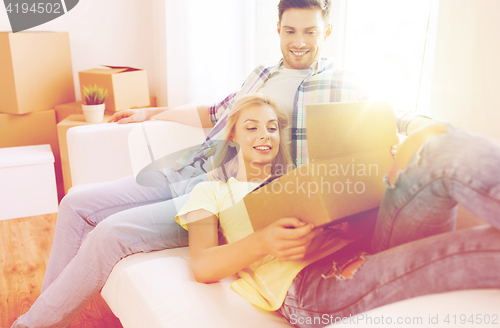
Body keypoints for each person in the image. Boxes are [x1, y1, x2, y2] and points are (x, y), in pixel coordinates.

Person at [12, 0, 436, 327]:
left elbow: (387, 116)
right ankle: (52, 310)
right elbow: (214, 112)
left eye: (310, 30)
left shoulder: (343, 82)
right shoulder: (261, 73)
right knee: (75, 203)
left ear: (326, 31)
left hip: (233, 192)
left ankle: (35, 322)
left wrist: (425, 126)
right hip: (191, 168)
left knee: (111, 233)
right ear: (278, 29)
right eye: (290, 30)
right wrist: (150, 113)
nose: (299, 40)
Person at [178, 93, 500, 328]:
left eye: (273, 127)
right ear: (232, 135)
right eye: (252, 128)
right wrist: (264, 242)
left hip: (367, 246)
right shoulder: (210, 190)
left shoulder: (299, 178)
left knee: (438, 148)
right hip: (311, 286)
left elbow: (357, 226)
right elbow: (203, 265)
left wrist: (387, 173)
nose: (265, 135)